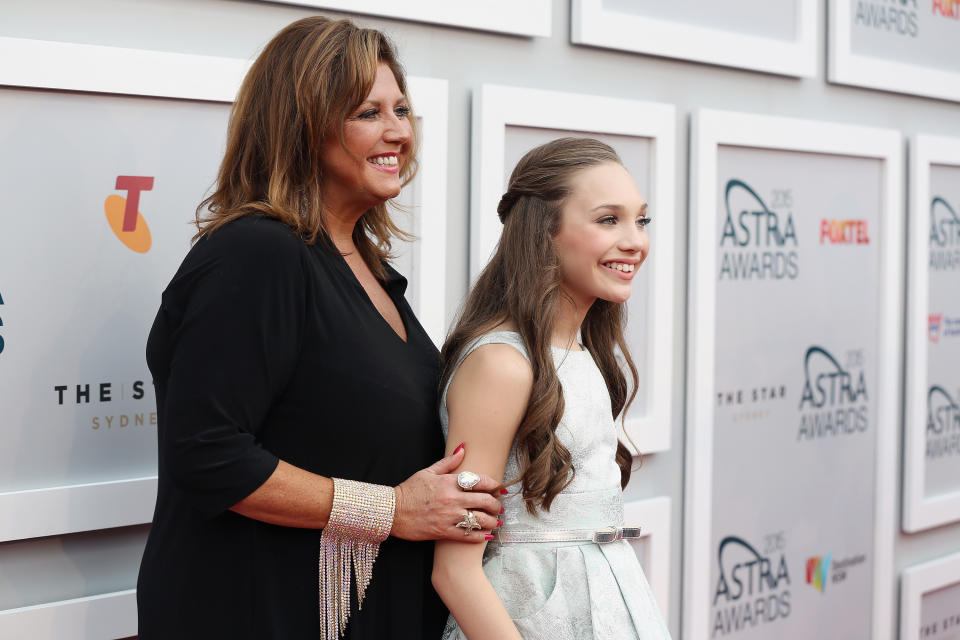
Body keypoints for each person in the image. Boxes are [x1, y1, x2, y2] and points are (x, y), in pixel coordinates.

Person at [136, 16, 503, 640]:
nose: (398, 133)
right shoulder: (256, 254)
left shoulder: (366, 266)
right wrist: (390, 509)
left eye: (402, 109)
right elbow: (207, 454)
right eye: (368, 112)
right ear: (301, 124)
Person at [431, 138, 672, 639]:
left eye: (641, 220)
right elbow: (454, 571)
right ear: (544, 234)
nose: (635, 241)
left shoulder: (583, 351)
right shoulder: (502, 363)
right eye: (609, 220)